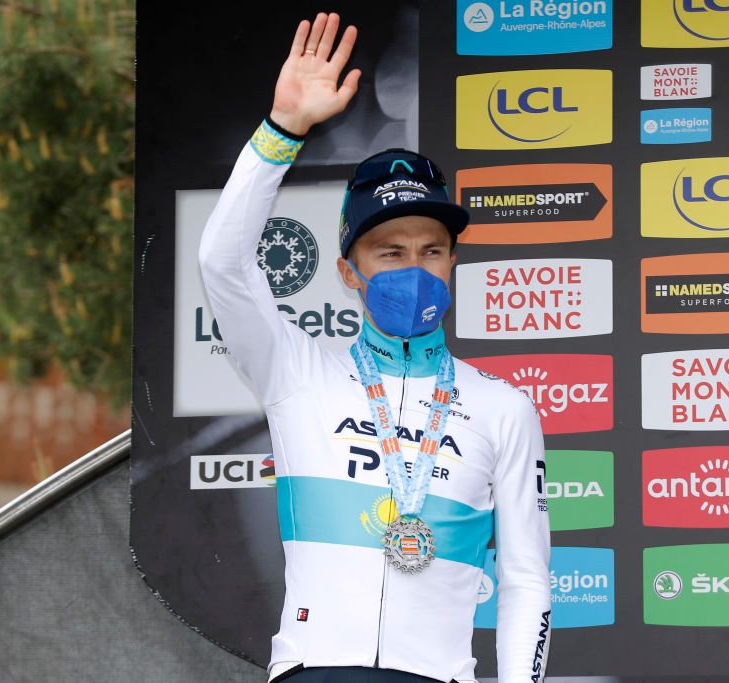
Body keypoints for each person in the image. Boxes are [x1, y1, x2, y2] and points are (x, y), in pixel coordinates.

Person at [198, 12, 552, 683]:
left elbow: (527, 579)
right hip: (313, 669)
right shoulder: (295, 370)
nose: (413, 267)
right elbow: (222, 262)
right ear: (349, 271)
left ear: (452, 262)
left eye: (431, 250)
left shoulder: (503, 406)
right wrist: (282, 131)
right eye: (389, 251)